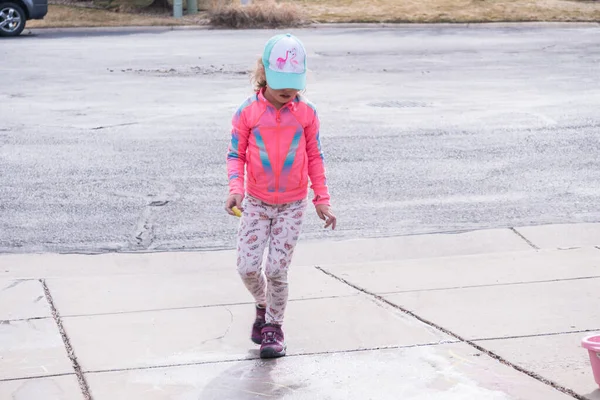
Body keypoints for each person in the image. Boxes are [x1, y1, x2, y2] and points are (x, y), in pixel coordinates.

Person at [225, 33, 336, 359]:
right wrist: (236, 190)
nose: (289, 92)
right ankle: (263, 304)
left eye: (295, 85)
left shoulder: (306, 113)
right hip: (257, 202)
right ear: (263, 76)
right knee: (247, 268)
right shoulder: (247, 112)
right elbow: (236, 154)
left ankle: (274, 327)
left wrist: (322, 199)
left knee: (276, 270)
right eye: (281, 84)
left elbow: (315, 156)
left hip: (292, 205)